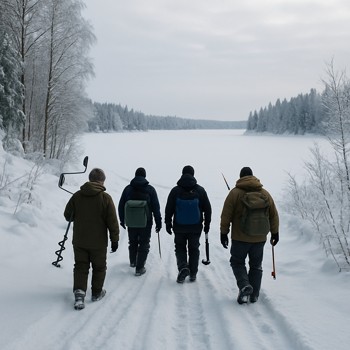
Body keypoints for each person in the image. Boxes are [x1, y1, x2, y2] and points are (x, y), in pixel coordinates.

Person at [220, 167, 279, 304]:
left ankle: (245, 286)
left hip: (240, 237)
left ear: (240, 177)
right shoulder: (265, 193)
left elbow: (226, 215)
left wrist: (224, 233)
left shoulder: (234, 193)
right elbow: (274, 215)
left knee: (237, 262)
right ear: (253, 176)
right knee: (256, 265)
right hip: (260, 238)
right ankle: (254, 295)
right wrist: (275, 232)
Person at [64, 168, 120, 310]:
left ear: (89, 179)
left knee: (81, 266)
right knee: (99, 267)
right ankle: (96, 292)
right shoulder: (105, 198)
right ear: (102, 181)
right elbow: (112, 221)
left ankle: (79, 294)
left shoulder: (77, 196)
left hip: (80, 240)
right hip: (98, 243)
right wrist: (115, 239)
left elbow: (67, 215)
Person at [165, 165, 212, 283]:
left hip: (179, 227)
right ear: (193, 174)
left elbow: (169, 208)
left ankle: (183, 267)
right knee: (194, 249)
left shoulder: (175, 191)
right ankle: (193, 274)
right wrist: (207, 224)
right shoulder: (200, 190)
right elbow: (208, 208)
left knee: (180, 247)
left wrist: (168, 222)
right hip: (195, 227)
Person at [118, 167, 162, 276]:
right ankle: (140, 267)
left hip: (131, 221)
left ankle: (133, 262)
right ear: (145, 176)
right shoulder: (150, 189)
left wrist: (122, 220)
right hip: (146, 222)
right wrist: (158, 222)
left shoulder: (128, 189)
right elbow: (156, 207)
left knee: (132, 241)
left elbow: (121, 205)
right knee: (144, 243)